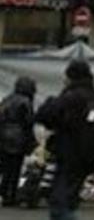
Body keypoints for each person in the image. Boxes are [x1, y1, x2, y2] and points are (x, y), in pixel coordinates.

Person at [36, 59, 94, 220]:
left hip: (68, 148)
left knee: (59, 200)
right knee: (70, 195)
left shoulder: (71, 96)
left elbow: (46, 115)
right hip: (89, 151)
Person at [0, 77, 36, 207]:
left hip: (3, 136)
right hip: (18, 137)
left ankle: (3, 192)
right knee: (15, 169)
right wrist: (32, 142)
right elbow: (29, 122)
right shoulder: (26, 101)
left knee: (6, 168)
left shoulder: (7, 99)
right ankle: (11, 195)